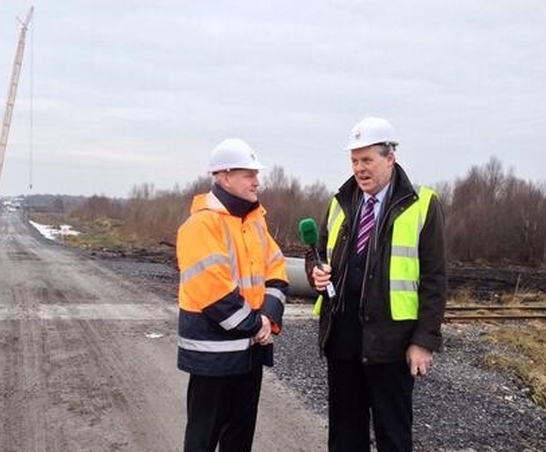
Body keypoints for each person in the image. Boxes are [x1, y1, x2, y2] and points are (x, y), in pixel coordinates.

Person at [305, 117, 447, 452]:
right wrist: (316, 271)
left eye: (367, 160)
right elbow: (316, 253)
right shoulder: (340, 201)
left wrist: (424, 341)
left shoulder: (422, 205)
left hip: (391, 345)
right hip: (341, 339)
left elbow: (434, 279)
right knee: (344, 436)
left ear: (390, 158)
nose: (359, 169)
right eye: (354, 161)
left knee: (393, 436)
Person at [176, 138, 288, 452]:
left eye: (256, 174)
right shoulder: (201, 225)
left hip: (249, 352)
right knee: (203, 439)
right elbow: (214, 295)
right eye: (248, 174)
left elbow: (276, 272)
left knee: (239, 438)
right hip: (213, 357)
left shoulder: (255, 223)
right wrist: (258, 326)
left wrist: (268, 319)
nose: (257, 181)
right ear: (224, 177)